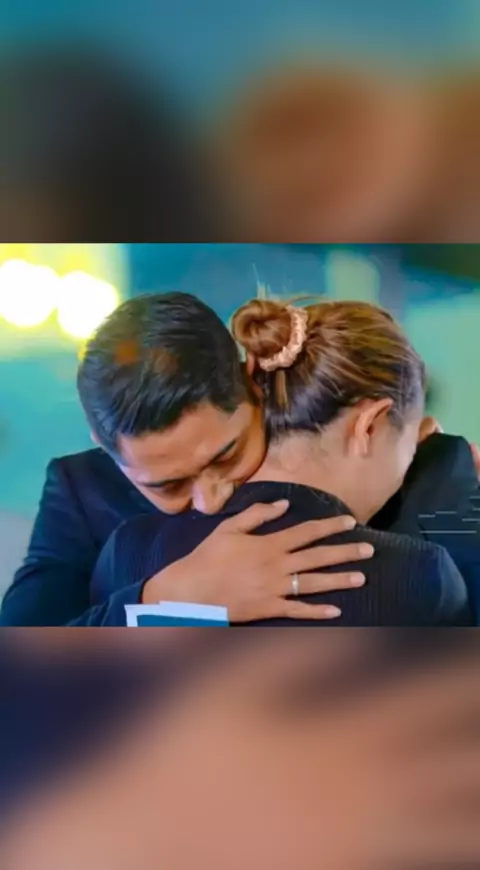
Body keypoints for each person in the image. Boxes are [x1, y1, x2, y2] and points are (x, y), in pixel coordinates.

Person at [1, 293, 379, 627]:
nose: (209, 501)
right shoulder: (83, 490)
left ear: (251, 381)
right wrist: (164, 601)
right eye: (169, 485)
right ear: (103, 444)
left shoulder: (314, 435)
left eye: (227, 457)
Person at [93, 296, 474, 625]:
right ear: (369, 426)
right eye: (410, 444)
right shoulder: (420, 576)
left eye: (225, 455)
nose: (209, 501)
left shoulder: (126, 552)